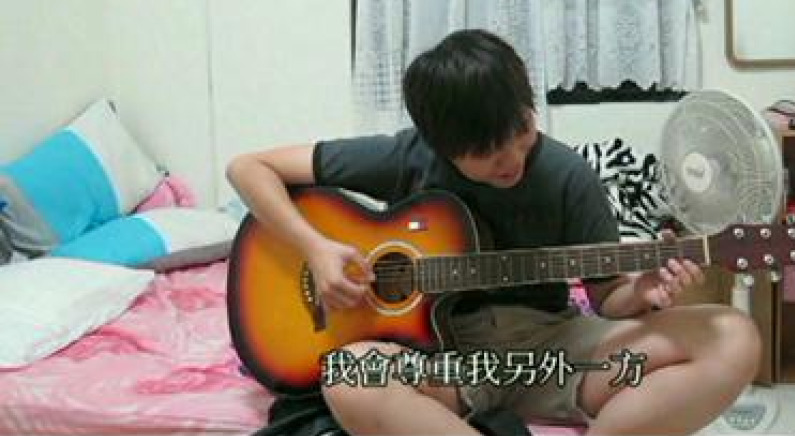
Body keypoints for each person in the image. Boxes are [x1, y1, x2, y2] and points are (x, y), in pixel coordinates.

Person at [227, 29, 761, 435]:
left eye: (522, 131)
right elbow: (248, 168)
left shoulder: (569, 176)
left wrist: (641, 291)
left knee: (733, 336)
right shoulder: (407, 156)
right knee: (348, 373)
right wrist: (315, 248)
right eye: (487, 152)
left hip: (550, 351)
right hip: (441, 362)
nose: (512, 159)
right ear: (441, 146)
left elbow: (609, 300)